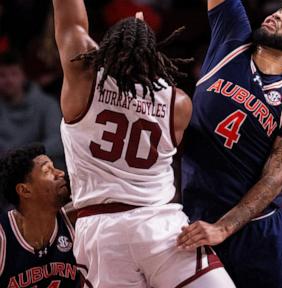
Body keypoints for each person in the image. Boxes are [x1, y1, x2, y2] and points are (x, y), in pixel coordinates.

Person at [52, 0, 235, 287]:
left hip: (102, 231)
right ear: (154, 55)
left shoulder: (84, 79)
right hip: (160, 225)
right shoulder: (178, 103)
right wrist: (140, 37)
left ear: (108, 48)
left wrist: (130, 35)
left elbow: (70, 19)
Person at [177, 1, 282, 287]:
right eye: (277, 11)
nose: (277, 15)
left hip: (255, 231)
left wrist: (223, 228)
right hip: (196, 219)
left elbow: (274, 179)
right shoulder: (232, 40)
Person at [0, 143, 80, 287]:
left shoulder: (75, 218)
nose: (60, 173)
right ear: (25, 190)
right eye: (47, 170)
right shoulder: (3, 238)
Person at [0, 52, 65, 170]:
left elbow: (58, 141)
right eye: (2, 75)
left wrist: (26, 156)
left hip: (37, 168)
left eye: (14, 74)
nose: (8, 80)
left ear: (23, 76)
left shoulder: (47, 104)